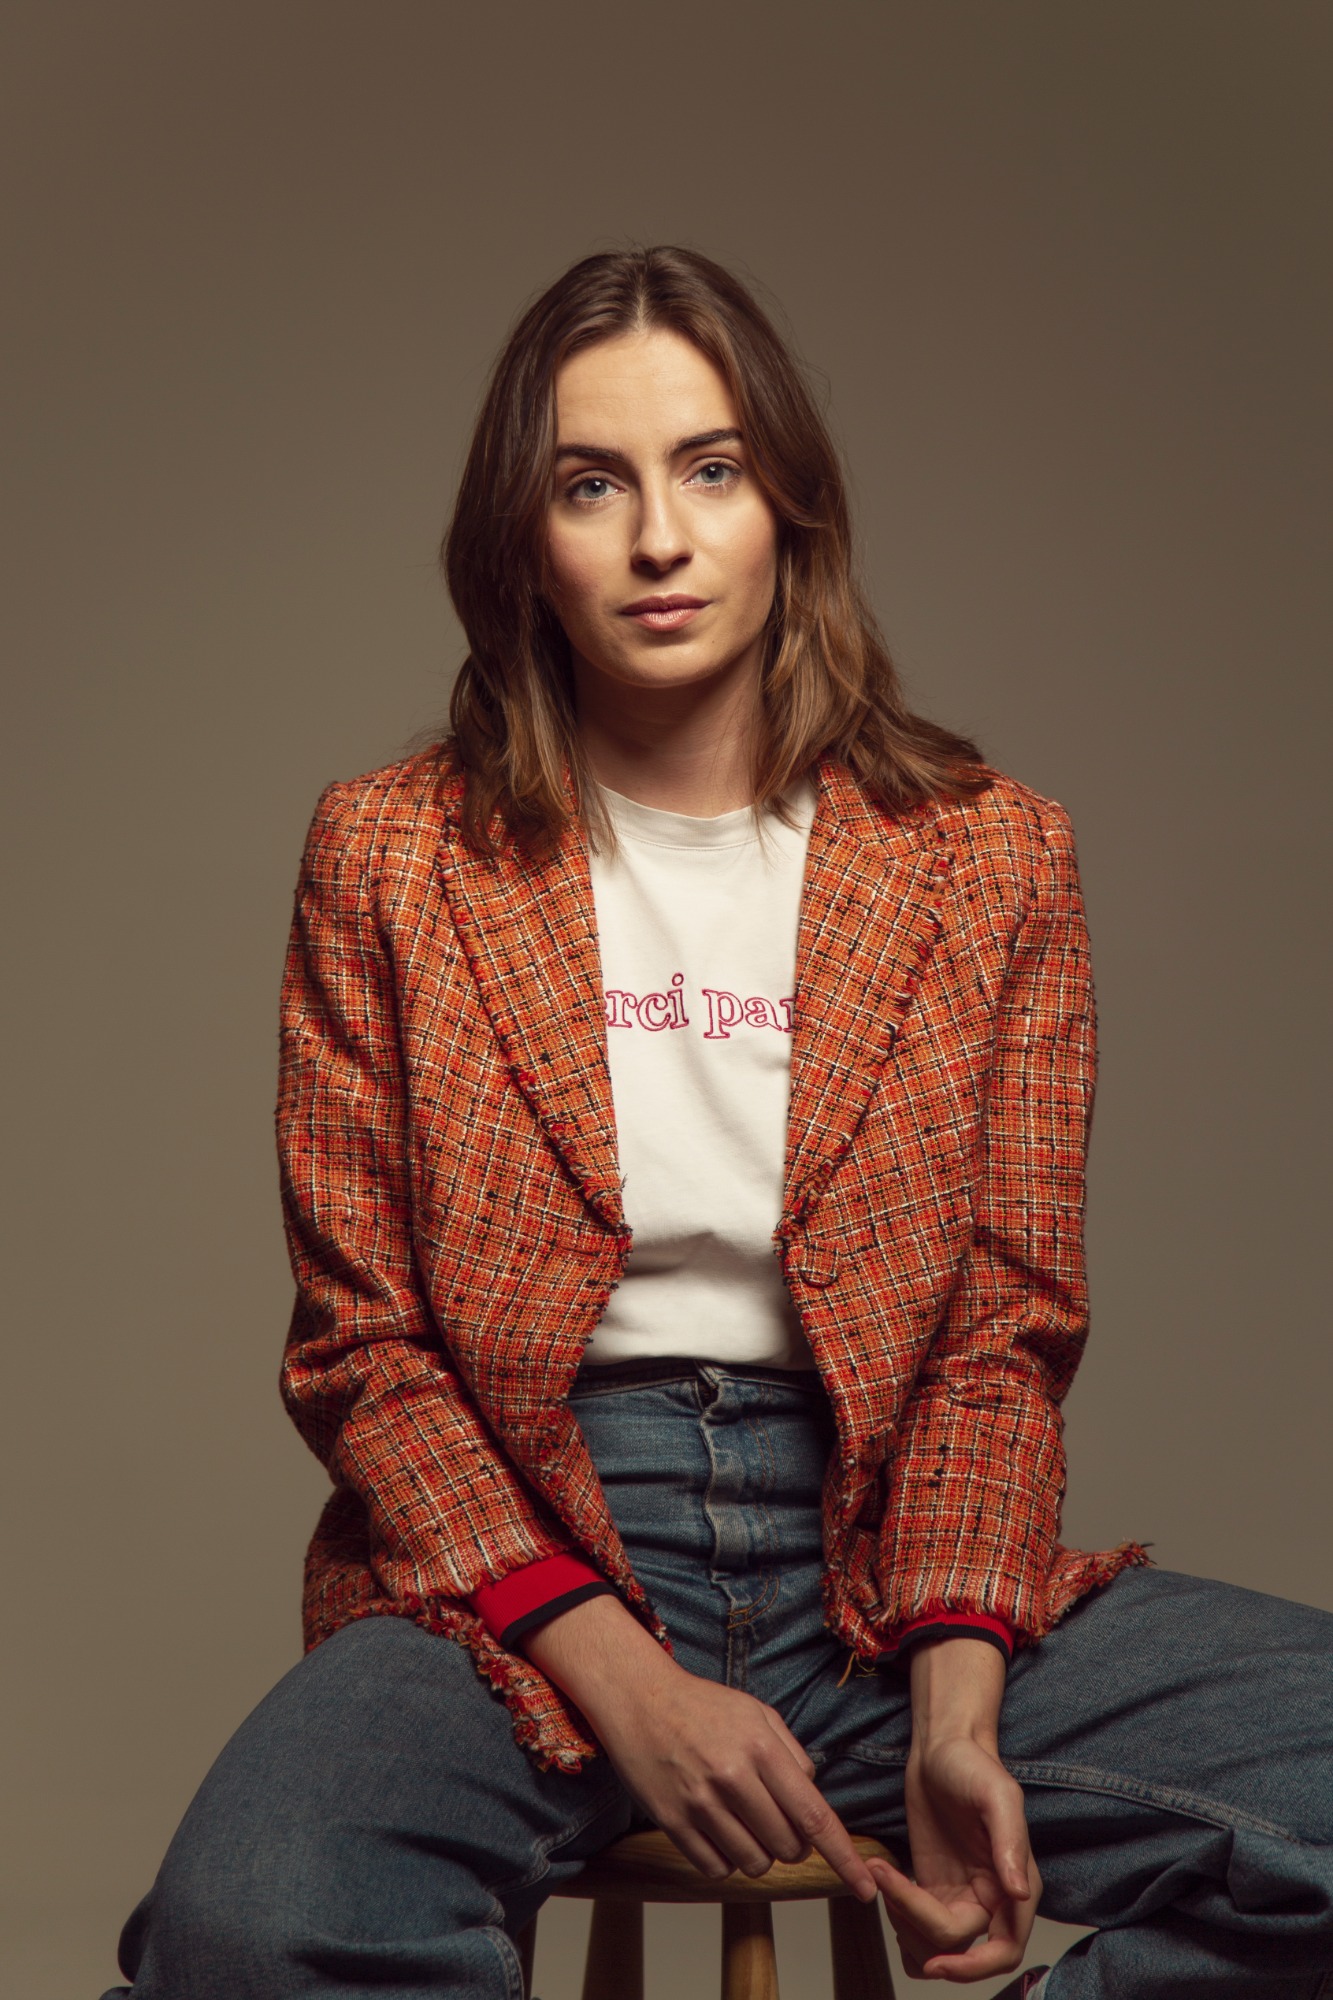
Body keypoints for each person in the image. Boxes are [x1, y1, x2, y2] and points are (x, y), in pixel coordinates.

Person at [103, 246, 1333, 2000]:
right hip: (515, 1575)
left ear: (788, 510)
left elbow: (998, 1335)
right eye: (590, 485)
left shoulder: (985, 855)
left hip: (880, 1565)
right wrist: (622, 1674)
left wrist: (956, 1704)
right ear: (523, 540)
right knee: (249, 1923)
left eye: (711, 468)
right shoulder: (391, 854)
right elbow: (361, 1351)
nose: (659, 539)